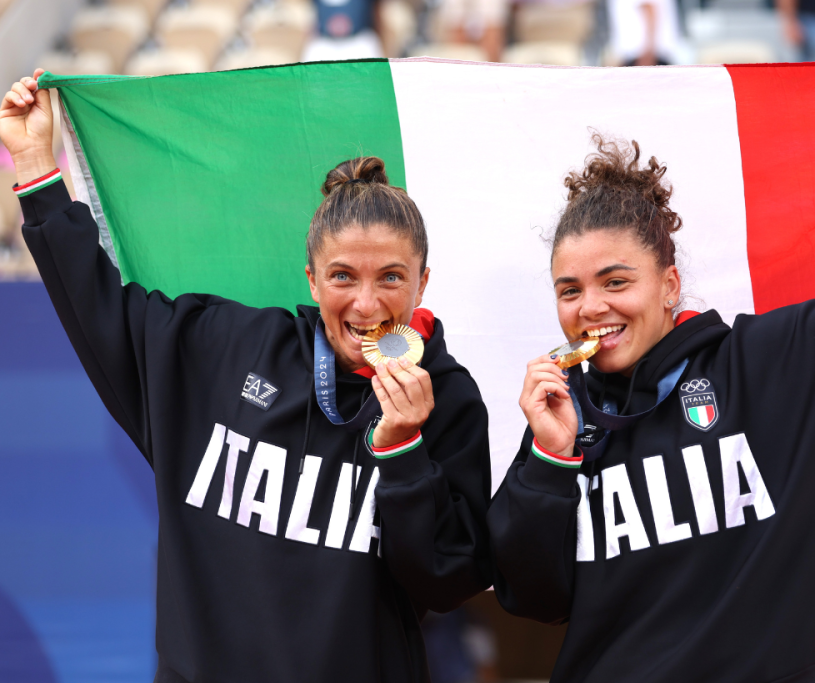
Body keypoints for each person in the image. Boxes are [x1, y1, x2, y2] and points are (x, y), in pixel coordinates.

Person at [1, 70, 492, 683]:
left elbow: (450, 581)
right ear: (312, 280)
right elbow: (98, 308)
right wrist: (34, 161)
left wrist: (405, 454)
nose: (366, 303)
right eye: (342, 276)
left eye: (391, 277)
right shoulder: (229, 349)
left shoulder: (447, 398)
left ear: (422, 282)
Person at [487, 130, 815, 682]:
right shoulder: (563, 418)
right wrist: (550, 461)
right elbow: (534, 599)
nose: (591, 307)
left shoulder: (771, 366)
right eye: (569, 291)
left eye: (615, 281)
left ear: (669, 285)